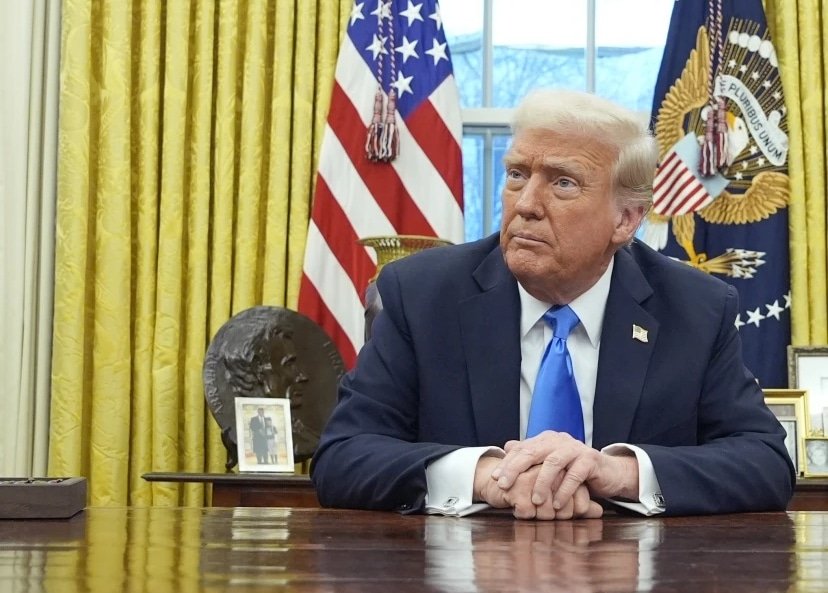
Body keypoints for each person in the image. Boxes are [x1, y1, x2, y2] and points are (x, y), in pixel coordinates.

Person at [310, 89, 794, 519]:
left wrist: (615, 472)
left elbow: (765, 462)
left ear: (626, 220)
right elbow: (343, 456)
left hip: (632, 569)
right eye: (517, 174)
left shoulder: (695, 308)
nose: (526, 204)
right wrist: (488, 477)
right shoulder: (421, 295)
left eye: (563, 182)